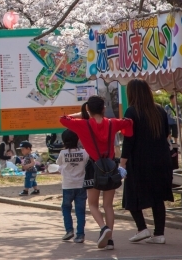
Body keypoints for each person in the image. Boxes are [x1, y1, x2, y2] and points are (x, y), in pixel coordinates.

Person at [60, 96, 133, 250]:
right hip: (110, 167)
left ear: (88, 109)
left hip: (93, 167)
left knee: (93, 204)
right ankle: (110, 240)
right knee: (108, 205)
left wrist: (82, 114)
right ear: (103, 108)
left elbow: (63, 119)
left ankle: (102, 227)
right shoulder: (112, 123)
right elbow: (128, 124)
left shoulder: (83, 124)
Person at [122, 79, 174, 245]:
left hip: (139, 161)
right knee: (158, 197)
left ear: (131, 93)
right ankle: (159, 234)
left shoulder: (131, 112)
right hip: (161, 160)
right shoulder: (159, 110)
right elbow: (167, 134)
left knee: (131, 195)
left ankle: (142, 228)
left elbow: (128, 140)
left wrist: (122, 162)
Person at [57, 129, 89, 243]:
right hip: (81, 185)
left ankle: (69, 230)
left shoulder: (62, 153)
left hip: (67, 185)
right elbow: (87, 163)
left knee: (66, 208)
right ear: (77, 139)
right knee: (80, 211)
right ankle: (80, 235)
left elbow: (58, 165)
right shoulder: (84, 153)